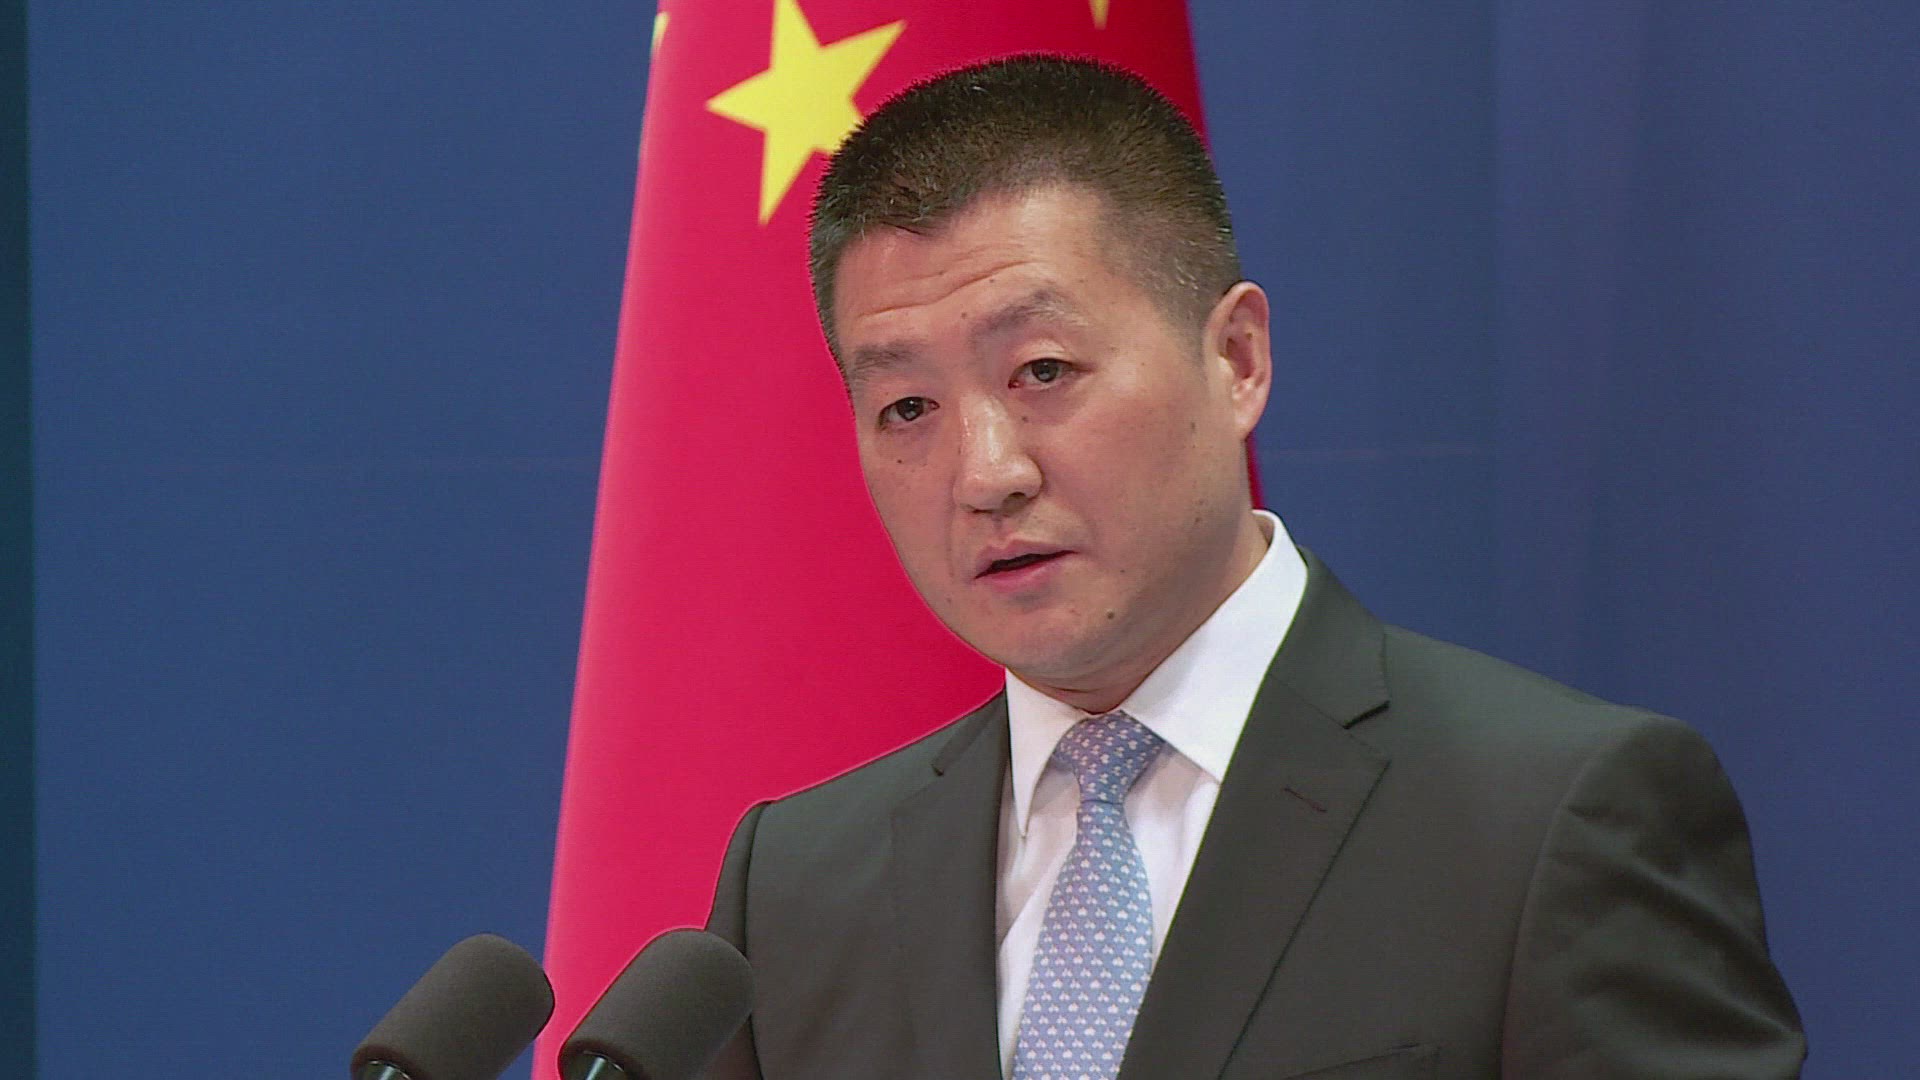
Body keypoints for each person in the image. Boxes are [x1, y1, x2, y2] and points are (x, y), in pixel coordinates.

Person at [702, 56, 1804, 1079]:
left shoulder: (1549, 821)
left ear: (1236, 359)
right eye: (908, 407)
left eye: (1042, 370)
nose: (986, 473)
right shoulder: (796, 887)